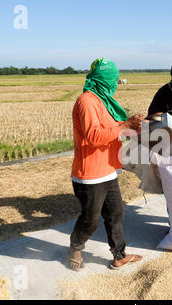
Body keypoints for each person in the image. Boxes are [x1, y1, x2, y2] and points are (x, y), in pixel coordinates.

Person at [68, 58, 143, 271]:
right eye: (113, 80)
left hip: (108, 170)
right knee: (90, 220)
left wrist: (131, 125)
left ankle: (119, 255)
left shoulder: (103, 101)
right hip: (89, 173)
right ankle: (75, 247)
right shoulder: (87, 101)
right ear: (104, 80)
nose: (115, 85)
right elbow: (94, 135)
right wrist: (126, 125)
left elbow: (112, 129)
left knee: (116, 214)